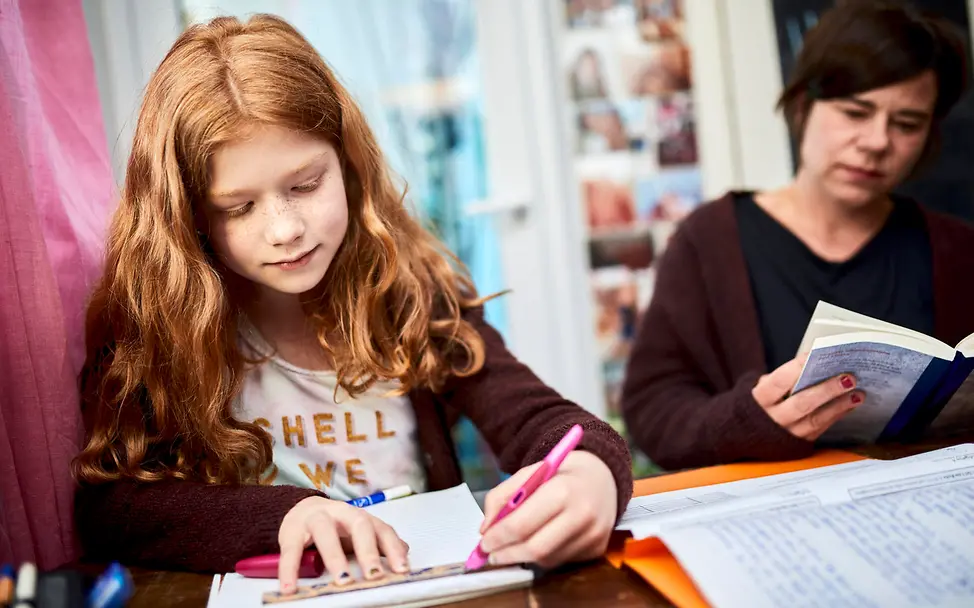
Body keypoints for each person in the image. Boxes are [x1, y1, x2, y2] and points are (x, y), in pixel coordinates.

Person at [72, 14, 633, 595]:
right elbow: (111, 506)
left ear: (347, 163)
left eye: (306, 184)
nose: (285, 229)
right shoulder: (158, 328)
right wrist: (282, 517)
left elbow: (540, 419)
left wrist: (590, 470)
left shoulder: (412, 294)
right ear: (188, 215)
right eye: (239, 208)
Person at [621, 1, 974, 470]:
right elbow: (650, 411)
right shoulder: (708, 242)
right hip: (767, 521)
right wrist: (743, 420)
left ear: (929, 136)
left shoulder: (957, 249)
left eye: (906, 124)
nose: (876, 141)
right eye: (855, 112)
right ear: (804, 104)